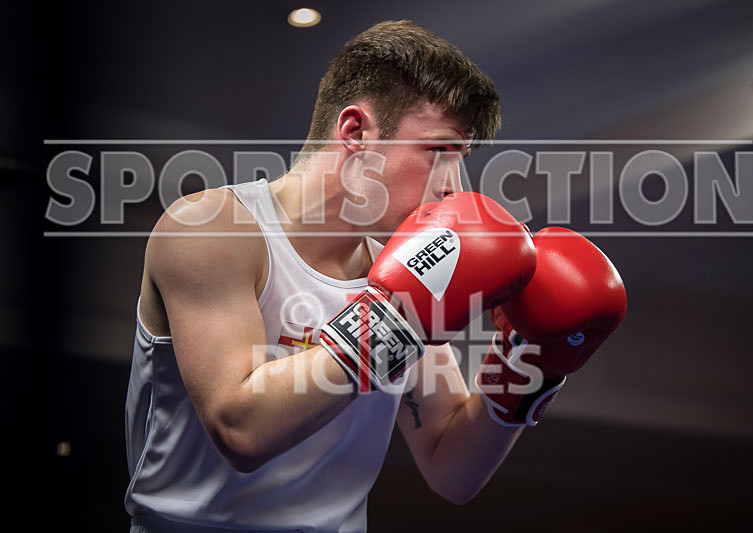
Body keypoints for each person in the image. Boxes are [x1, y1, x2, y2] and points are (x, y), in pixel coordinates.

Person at [124, 20, 626, 533]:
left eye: (463, 158)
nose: (455, 187)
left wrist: (529, 361)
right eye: (439, 151)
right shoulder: (213, 230)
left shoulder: (410, 271)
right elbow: (240, 429)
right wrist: (394, 321)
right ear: (356, 133)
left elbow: (452, 469)